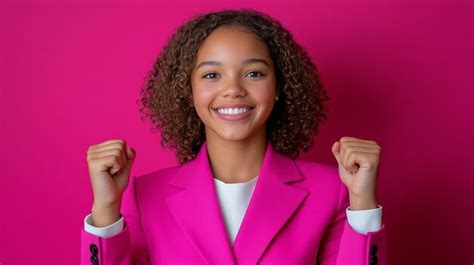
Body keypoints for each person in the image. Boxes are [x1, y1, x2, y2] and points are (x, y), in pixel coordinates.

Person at [81, 9, 387, 265]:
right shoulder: (145, 195)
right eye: (212, 75)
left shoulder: (331, 191)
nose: (233, 89)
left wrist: (363, 205)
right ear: (188, 91)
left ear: (279, 87)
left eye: (254, 73)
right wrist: (106, 209)